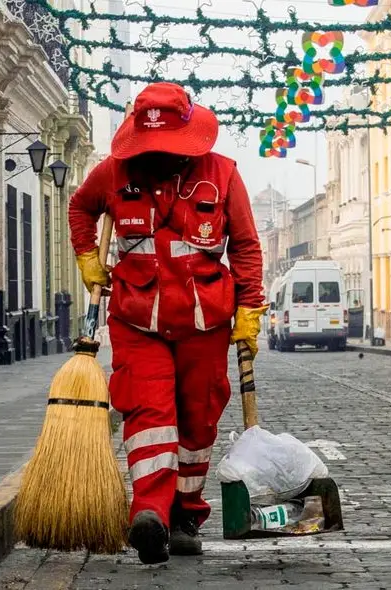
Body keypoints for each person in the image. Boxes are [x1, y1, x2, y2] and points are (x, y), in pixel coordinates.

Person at [68, 82, 267, 565]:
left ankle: (185, 517)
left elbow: (245, 246)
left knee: (198, 419)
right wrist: (88, 258)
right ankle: (150, 513)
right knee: (149, 413)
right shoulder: (113, 172)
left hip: (205, 322)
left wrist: (249, 308)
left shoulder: (223, 174)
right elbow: (80, 207)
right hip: (137, 320)